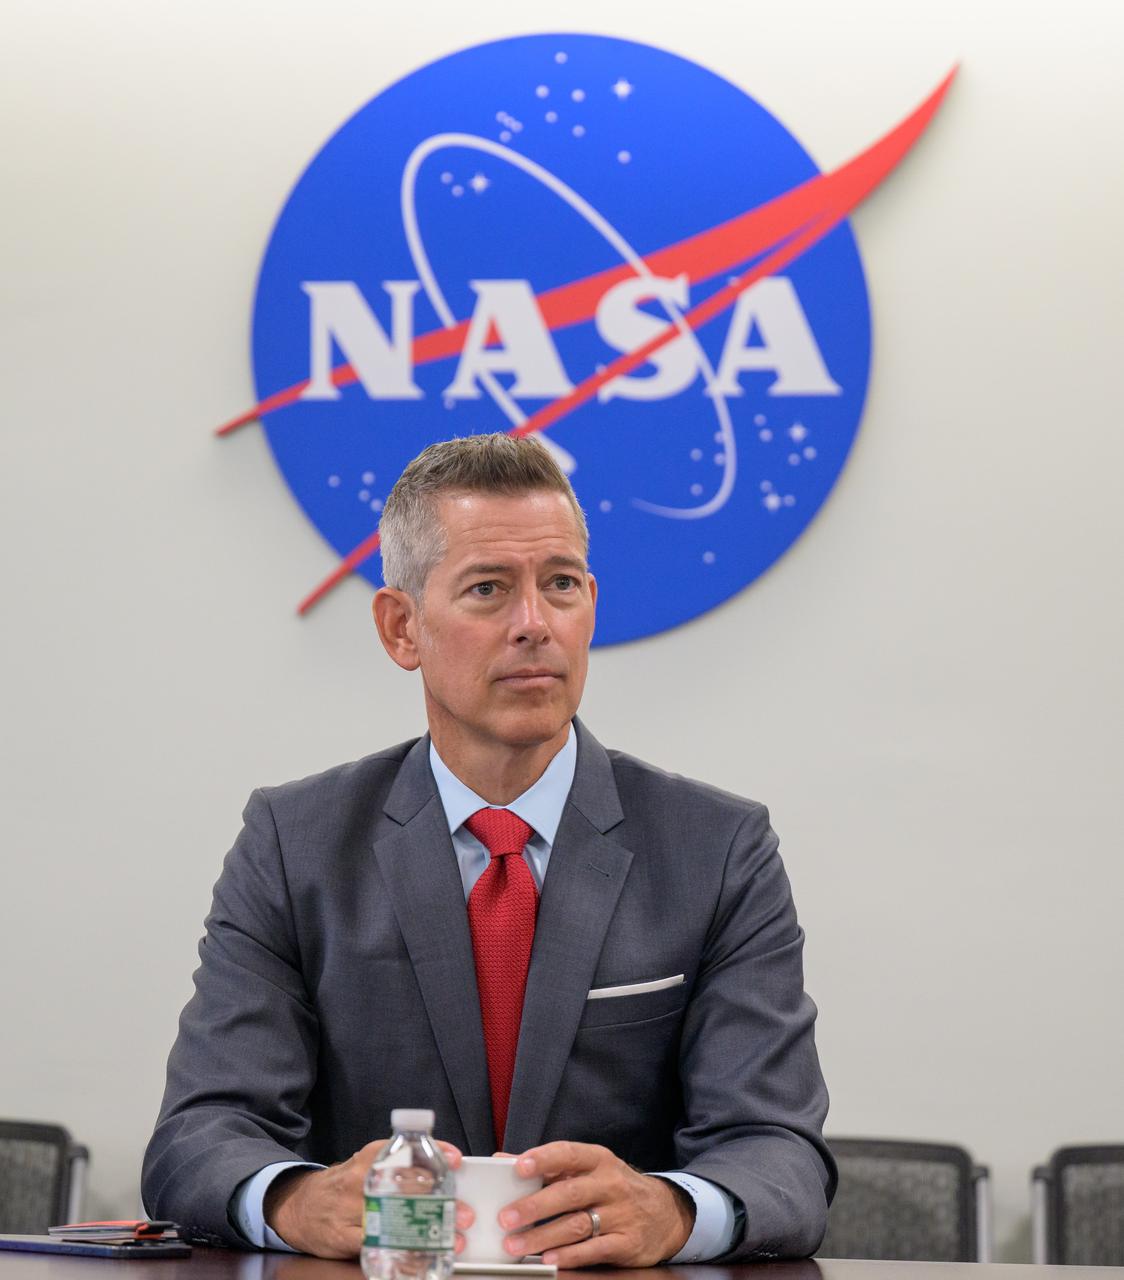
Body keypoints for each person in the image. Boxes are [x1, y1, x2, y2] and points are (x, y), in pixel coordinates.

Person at [142, 433, 834, 1266]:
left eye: (562, 586)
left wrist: (676, 1213)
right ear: (402, 629)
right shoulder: (296, 845)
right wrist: (295, 1200)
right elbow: (200, 1135)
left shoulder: (718, 849)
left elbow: (780, 1153)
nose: (534, 625)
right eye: (488, 590)